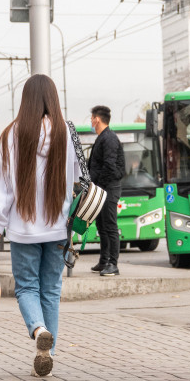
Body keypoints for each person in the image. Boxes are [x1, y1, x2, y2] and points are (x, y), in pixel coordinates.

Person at [0, 74, 80, 378]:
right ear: (53, 97)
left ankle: (38, 332)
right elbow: (77, 180)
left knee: (26, 287)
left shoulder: (11, 134)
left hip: (23, 228)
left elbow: (4, 187)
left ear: (26, 99)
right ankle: (47, 349)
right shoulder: (67, 132)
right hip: (59, 226)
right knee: (51, 289)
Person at [87, 105, 126, 277]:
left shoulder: (109, 138)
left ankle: (113, 264)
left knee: (110, 225)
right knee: (101, 225)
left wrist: (98, 186)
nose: (90, 121)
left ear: (97, 119)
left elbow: (110, 166)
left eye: (91, 118)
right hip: (102, 187)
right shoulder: (102, 137)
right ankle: (104, 261)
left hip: (108, 187)